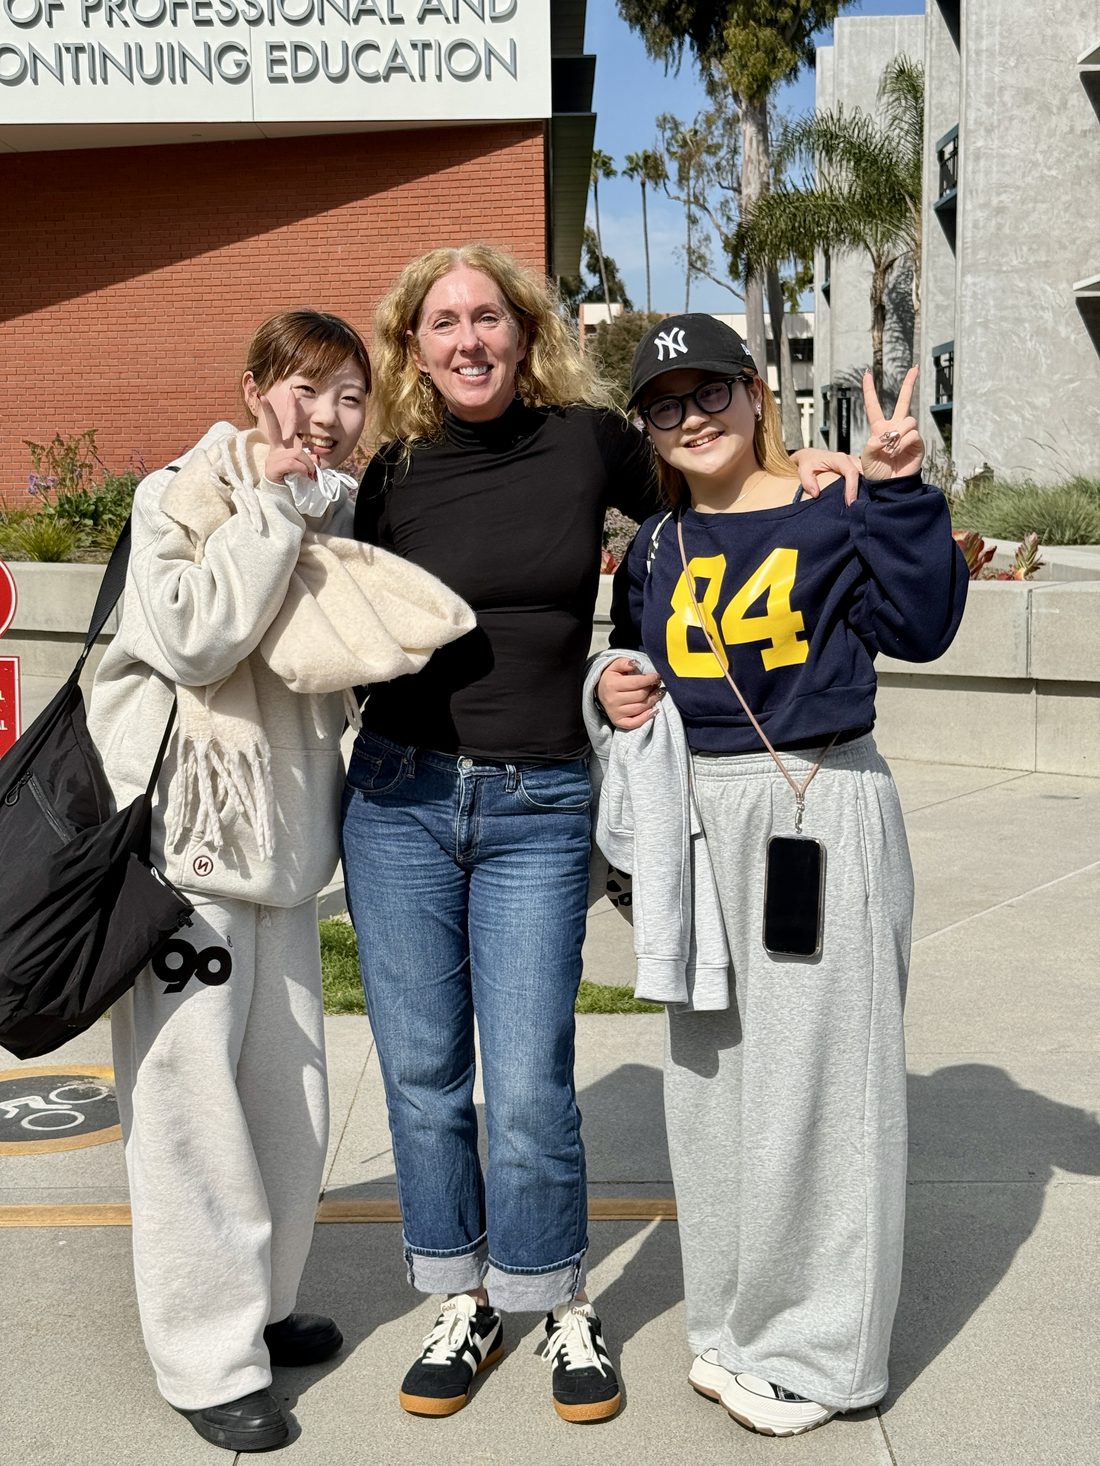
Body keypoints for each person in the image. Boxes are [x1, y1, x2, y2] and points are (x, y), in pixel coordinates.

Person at [340, 249, 863, 1426]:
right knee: (423, 1078)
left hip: (535, 803)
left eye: (487, 317)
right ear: (413, 347)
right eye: (441, 322)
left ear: (523, 333)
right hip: (398, 798)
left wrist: (811, 470)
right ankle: (463, 1293)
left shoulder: (584, 440)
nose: (467, 339)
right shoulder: (393, 472)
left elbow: (707, 480)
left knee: (526, 1083)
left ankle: (557, 1296)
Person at [87, 309, 473, 1453]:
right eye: (308, 389)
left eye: (352, 395)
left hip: (288, 853)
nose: (331, 416)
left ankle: (253, 1306)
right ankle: (206, 1359)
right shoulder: (186, 493)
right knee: (188, 1109)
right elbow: (198, 637)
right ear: (257, 388)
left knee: (285, 1100)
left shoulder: (337, 506)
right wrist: (268, 511)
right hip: (183, 857)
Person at [594, 314, 967, 1437]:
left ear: (757, 396)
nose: (692, 415)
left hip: (816, 801)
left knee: (825, 1093)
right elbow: (631, 664)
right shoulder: (652, 546)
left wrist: (898, 489)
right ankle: (733, 1319)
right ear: (648, 429)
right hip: (696, 824)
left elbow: (924, 621)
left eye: (712, 391)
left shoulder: (834, 503)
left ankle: (817, 1356)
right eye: (666, 401)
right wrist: (609, 688)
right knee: (712, 1089)